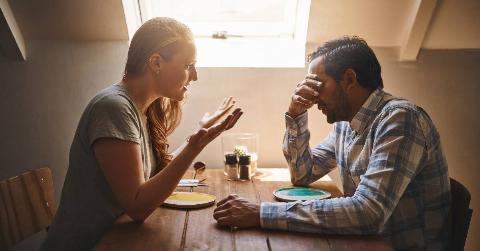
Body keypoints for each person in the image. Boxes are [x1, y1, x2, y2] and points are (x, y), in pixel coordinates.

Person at [214, 36, 451, 251]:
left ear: (348, 79)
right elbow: (303, 175)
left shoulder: (400, 119)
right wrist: (295, 116)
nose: (313, 96)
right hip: (361, 242)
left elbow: (368, 213)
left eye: (317, 84)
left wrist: (260, 212)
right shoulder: (347, 123)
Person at [41, 17, 242, 250]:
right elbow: (137, 207)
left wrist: (198, 134)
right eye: (188, 65)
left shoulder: (141, 109)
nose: (194, 75)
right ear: (156, 63)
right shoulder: (114, 108)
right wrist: (194, 148)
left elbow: (153, 180)